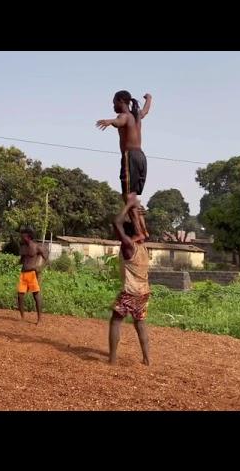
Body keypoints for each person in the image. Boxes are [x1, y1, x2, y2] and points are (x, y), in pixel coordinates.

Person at [96, 90, 152, 240]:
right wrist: (149, 98)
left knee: (128, 196)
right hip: (141, 157)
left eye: (114, 101)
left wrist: (109, 121)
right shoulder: (137, 115)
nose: (113, 105)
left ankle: (139, 232)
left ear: (121, 101)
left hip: (130, 157)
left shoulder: (124, 116)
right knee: (131, 196)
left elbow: (120, 121)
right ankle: (142, 230)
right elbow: (146, 110)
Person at [109, 196, 151, 365]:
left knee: (115, 321)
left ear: (125, 234)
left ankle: (112, 359)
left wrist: (129, 205)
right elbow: (142, 231)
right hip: (144, 291)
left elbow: (116, 222)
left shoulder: (128, 246)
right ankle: (147, 359)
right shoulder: (143, 246)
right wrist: (138, 214)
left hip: (130, 291)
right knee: (140, 323)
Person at [17, 227, 48, 324]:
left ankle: (39, 319)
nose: (21, 238)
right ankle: (22, 318)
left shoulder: (36, 247)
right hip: (23, 274)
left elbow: (46, 257)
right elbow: (22, 259)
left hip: (32, 274)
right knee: (20, 296)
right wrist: (17, 262)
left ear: (27, 237)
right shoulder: (23, 247)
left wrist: (39, 268)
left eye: (22, 236)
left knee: (36, 295)